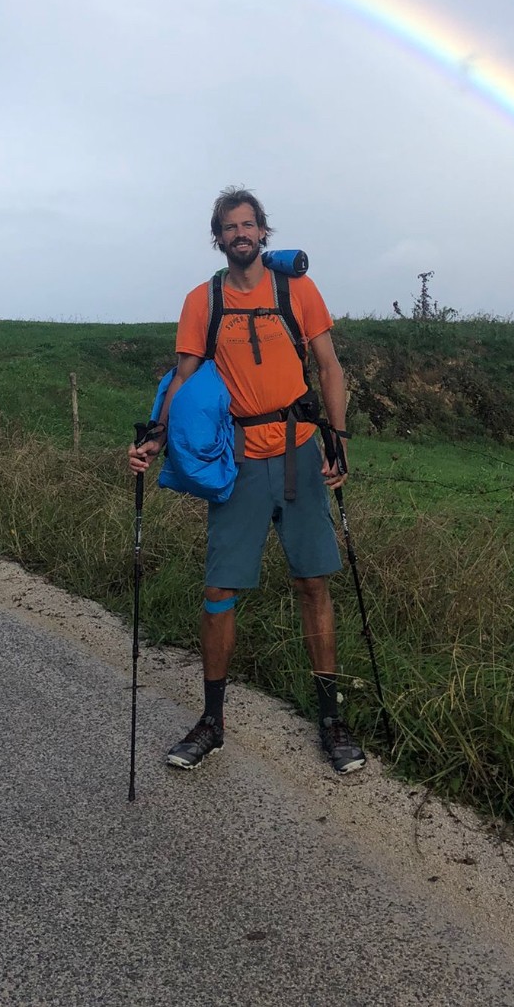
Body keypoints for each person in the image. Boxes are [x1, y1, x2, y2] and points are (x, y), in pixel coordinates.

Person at [127, 187, 366, 776]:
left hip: (301, 450)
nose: (240, 234)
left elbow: (330, 365)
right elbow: (183, 380)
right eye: (229, 227)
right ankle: (212, 722)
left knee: (313, 584)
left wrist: (338, 438)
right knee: (218, 594)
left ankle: (331, 721)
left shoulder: (297, 289)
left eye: (249, 225)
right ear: (218, 238)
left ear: (264, 232)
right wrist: (156, 438)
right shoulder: (201, 301)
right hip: (236, 460)